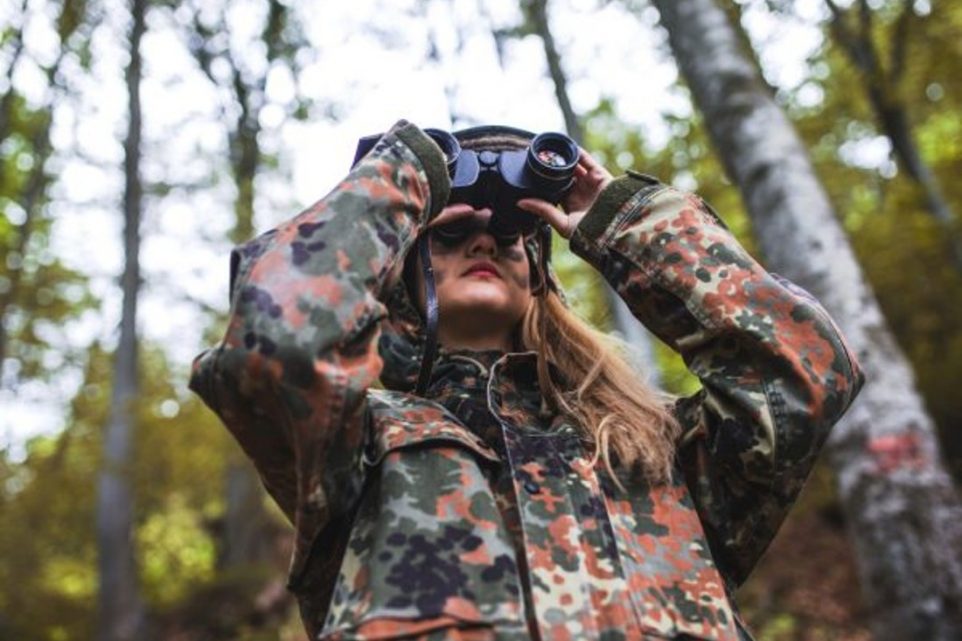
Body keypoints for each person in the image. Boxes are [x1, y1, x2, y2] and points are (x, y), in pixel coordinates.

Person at [190, 120, 864, 640]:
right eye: (449, 236)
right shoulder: (357, 443)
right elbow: (271, 347)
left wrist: (616, 215)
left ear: (538, 277)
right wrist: (409, 178)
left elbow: (804, 368)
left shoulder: (652, 446)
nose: (483, 242)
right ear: (402, 274)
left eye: (509, 237)